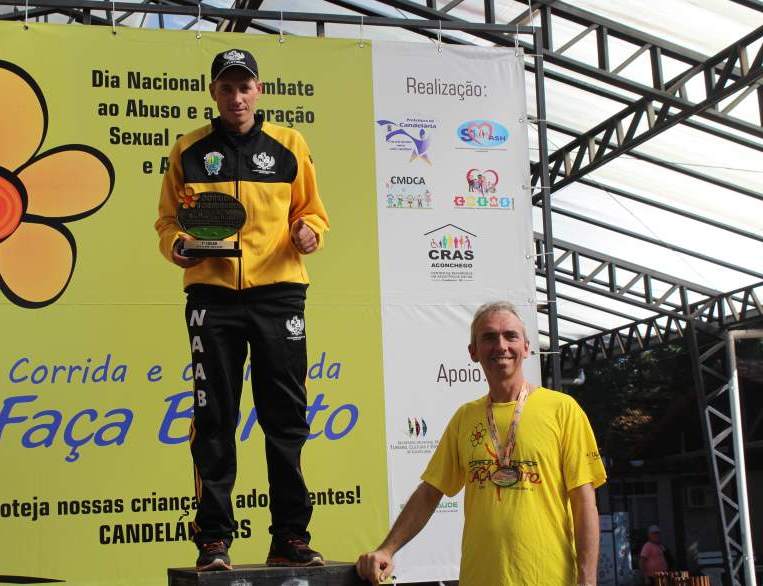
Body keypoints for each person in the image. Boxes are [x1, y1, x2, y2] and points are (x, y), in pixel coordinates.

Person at [155, 48, 329, 572]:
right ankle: (213, 540)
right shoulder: (188, 149)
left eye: (244, 86)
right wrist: (179, 247)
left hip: (279, 294)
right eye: (226, 87)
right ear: (214, 92)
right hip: (211, 296)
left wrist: (308, 233)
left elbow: (313, 211)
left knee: (286, 418)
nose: (236, 96)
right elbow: (166, 223)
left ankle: (291, 538)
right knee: (213, 417)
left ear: (259, 90)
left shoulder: (289, 144)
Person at [356, 301, 607, 586]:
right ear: (473, 352)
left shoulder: (562, 409)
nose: (501, 345)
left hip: (550, 578)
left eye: (510, 336)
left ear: (526, 347)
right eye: (489, 337)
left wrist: (587, 581)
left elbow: (584, 502)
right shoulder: (465, 417)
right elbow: (429, 493)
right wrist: (387, 549)